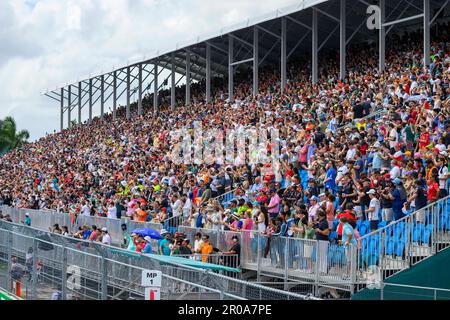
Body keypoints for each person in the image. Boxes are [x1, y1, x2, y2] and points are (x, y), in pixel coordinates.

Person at [314, 210, 330, 274]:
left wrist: (319, 230)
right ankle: (321, 270)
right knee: (320, 256)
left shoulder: (324, 222)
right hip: (319, 240)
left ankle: (323, 270)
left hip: (323, 241)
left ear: (319, 215)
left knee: (323, 256)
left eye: (317, 215)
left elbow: (326, 232)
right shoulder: (320, 222)